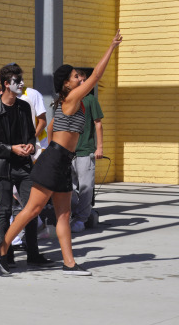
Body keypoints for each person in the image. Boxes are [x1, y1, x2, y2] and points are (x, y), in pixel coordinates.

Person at [0, 30, 122, 276]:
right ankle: (2, 249)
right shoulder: (71, 98)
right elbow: (97, 75)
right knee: (33, 209)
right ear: (66, 83)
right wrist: (112, 47)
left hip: (61, 160)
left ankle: (69, 263)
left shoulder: (75, 102)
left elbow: (51, 127)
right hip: (55, 160)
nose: (80, 79)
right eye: (75, 76)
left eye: (79, 76)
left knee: (64, 214)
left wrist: (52, 149)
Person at [0, 63, 54, 268]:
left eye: (21, 80)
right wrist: (11, 148)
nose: (22, 84)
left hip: (24, 165)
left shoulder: (24, 106)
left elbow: (30, 134)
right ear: (6, 84)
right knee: (4, 211)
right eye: (17, 81)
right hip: (3, 167)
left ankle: (33, 253)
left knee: (30, 209)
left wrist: (30, 146)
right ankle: (6, 254)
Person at [70, 68, 104, 233]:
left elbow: (98, 123)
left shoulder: (91, 100)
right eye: (78, 80)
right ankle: (74, 214)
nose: (81, 83)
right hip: (69, 152)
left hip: (85, 151)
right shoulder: (69, 100)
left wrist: (99, 147)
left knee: (85, 187)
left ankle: (81, 219)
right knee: (68, 187)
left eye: (84, 80)